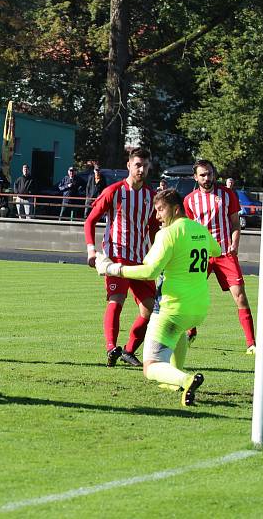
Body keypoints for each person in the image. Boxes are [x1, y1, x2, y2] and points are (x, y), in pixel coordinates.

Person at [95, 188, 221, 406]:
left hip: (171, 308)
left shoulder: (168, 234)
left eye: (161, 210)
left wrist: (113, 268)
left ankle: (186, 379)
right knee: (179, 331)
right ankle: (175, 378)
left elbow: (149, 272)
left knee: (150, 366)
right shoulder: (199, 229)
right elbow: (216, 250)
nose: (157, 216)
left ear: (176, 208)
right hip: (198, 308)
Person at [85, 147, 159, 367]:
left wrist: (158, 254)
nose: (142, 169)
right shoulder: (114, 191)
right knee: (116, 301)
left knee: (151, 310)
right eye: (138, 164)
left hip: (141, 260)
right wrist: (91, 249)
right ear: (129, 165)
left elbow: (154, 229)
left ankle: (128, 350)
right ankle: (111, 347)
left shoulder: (151, 196)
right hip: (116, 256)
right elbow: (90, 221)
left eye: (145, 165)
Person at [184, 159, 256, 354]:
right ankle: (190, 331)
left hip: (225, 253)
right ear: (195, 177)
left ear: (214, 173)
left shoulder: (227, 194)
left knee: (240, 296)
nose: (207, 178)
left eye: (209, 173)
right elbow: (189, 227)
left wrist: (234, 244)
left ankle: (251, 344)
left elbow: (235, 222)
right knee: (190, 296)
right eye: (202, 175)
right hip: (201, 254)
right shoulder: (189, 200)